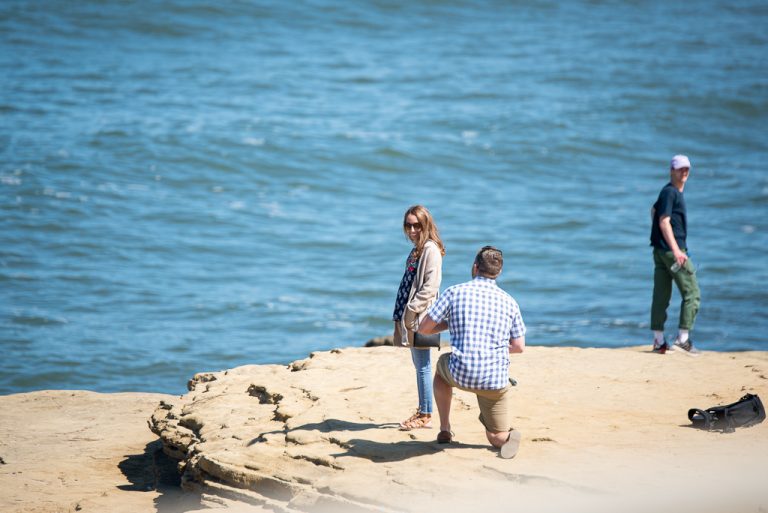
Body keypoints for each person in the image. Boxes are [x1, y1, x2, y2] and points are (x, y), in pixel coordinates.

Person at [418, 246, 526, 459]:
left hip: (461, 372)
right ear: (499, 272)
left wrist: (451, 324)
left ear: (475, 267)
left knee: (441, 368)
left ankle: (445, 429)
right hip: (494, 380)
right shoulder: (510, 302)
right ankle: (506, 438)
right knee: (495, 437)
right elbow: (519, 346)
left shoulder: (454, 292)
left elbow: (424, 328)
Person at [392, 205, 446, 430]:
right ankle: (423, 410)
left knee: (422, 365)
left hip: (420, 316)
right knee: (419, 364)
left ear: (426, 225)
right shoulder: (417, 249)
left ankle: (425, 414)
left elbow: (430, 287)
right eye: (408, 225)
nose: (412, 229)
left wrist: (412, 310)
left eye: (417, 225)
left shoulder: (430, 249)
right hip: (411, 314)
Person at [649, 155, 701, 355]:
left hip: (660, 251)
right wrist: (676, 249)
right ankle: (683, 339)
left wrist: (659, 240)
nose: (684, 172)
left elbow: (653, 211)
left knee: (661, 295)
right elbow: (663, 220)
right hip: (672, 251)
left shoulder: (667, 192)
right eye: (680, 169)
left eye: (687, 169)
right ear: (672, 170)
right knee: (693, 293)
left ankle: (659, 342)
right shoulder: (671, 192)